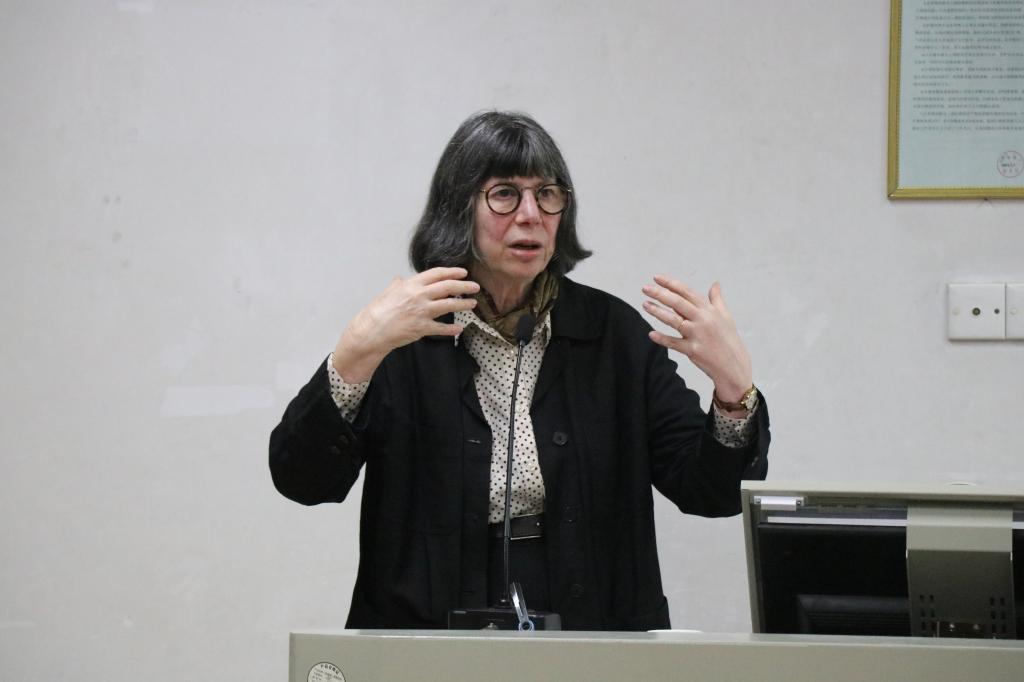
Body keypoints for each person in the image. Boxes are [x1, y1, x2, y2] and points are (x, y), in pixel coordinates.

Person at [269, 111, 769, 631]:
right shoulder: (405, 334)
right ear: (458, 207)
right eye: (505, 194)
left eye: (547, 194)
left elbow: (709, 493)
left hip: (589, 620)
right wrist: (354, 354)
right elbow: (303, 481)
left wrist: (733, 390)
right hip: (427, 623)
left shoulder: (612, 334)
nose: (531, 214)